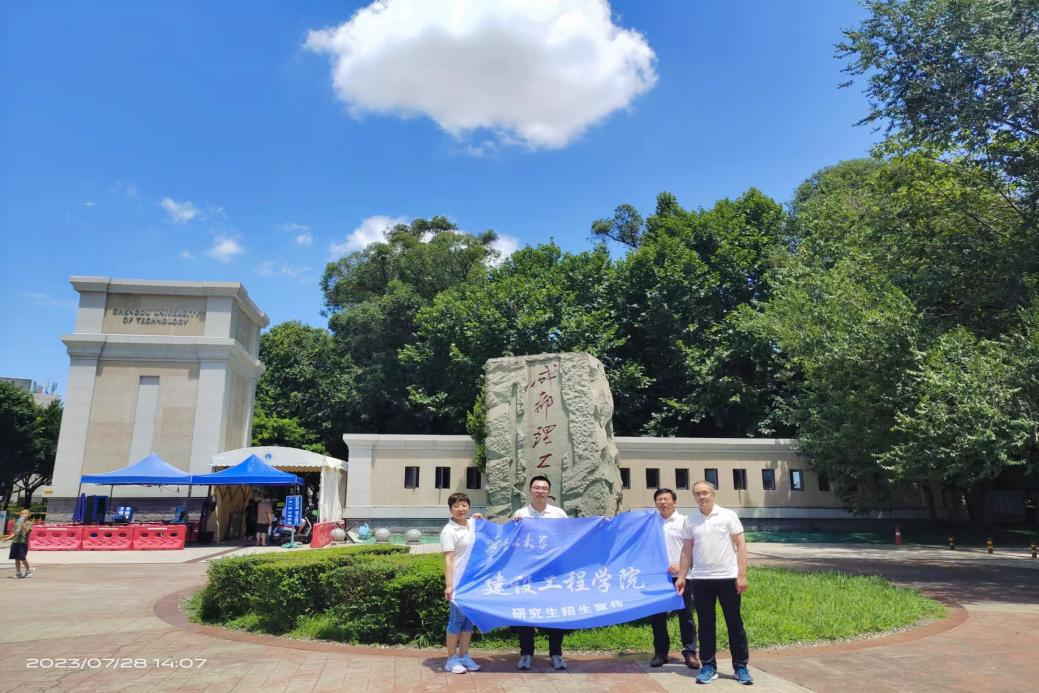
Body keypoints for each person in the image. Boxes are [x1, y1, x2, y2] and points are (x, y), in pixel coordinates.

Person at [675, 481, 752, 686]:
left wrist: (741, 575)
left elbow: (741, 545)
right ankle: (708, 666)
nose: (702, 497)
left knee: (734, 624)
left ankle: (741, 667)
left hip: (728, 578)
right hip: (701, 580)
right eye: (697, 494)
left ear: (713, 494)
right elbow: (686, 550)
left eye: (705, 493)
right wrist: (682, 576)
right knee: (706, 625)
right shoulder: (690, 519)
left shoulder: (728, 515)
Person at [513, 475, 569, 670]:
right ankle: (526, 654)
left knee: (555, 613)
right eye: (536, 488)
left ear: (549, 491)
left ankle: (556, 654)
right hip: (528, 572)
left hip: (553, 572)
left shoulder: (559, 514)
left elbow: (572, 535)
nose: (540, 491)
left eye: (544, 488)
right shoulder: (521, 514)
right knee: (526, 613)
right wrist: (513, 523)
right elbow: (512, 539)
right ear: (530, 490)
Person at [649, 488, 699, 669]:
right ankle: (661, 653)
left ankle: (690, 652)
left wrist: (681, 565)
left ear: (674, 502)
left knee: (685, 615)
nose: (663, 502)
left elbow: (695, 547)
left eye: (666, 499)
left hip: (682, 576)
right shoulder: (651, 522)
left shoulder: (684, 522)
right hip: (657, 578)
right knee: (657, 616)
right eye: (659, 499)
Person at [440, 492, 480, 675]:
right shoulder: (449, 531)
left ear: (468, 507)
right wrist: (449, 585)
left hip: (473, 582)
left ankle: (464, 655)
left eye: (464, 505)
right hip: (458, 582)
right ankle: (451, 659)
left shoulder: (473, 524)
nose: (460, 509)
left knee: (468, 621)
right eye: (456, 506)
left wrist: (479, 518)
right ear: (450, 509)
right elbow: (448, 559)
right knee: (456, 621)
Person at [8, 509, 34, 578]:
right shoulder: (18, 523)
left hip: (22, 543)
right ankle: (18, 572)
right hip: (15, 542)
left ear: (29, 515)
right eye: (22, 513)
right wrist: (8, 538)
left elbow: (27, 530)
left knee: (22, 558)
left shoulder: (29, 523)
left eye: (25, 513)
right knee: (16, 559)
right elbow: (14, 532)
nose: (23, 515)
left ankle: (28, 570)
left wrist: (22, 523)